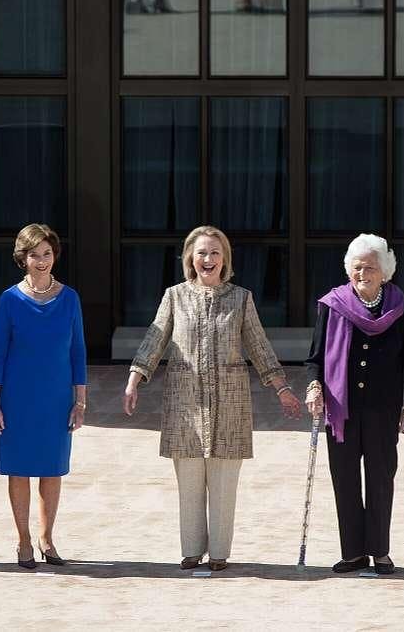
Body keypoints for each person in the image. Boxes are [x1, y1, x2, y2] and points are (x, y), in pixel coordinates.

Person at [122, 225, 301, 571]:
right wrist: (134, 380)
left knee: (223, 483)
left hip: (230, 405)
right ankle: (191, 550)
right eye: (201, 252)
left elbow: (259, 346)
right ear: (191, 257)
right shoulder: (174, 296)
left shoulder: (241, 298)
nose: (208, 258)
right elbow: (153, 341)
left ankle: (219, 553)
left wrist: (281, 388)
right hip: (184, 405)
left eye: (215, 252)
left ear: (225, 259)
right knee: (189, 481)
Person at [305, 234, 404, 574]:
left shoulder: (401, 306)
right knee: (344, 478)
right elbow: (315, 357)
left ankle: (380, 550)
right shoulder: (332, 304)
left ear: (384, 271)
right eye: (357, 267)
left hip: (383, 408)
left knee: (381, 477)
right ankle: (353, 552)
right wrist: (314, 386)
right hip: (341, 408)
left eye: (370, 267)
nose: (362, 273)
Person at [0, 224, 87, 569]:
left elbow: (78, 352)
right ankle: (23, 541)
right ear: (22, 258)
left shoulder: (70, 298)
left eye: (47, 253)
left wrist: (81, 400)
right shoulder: (10, 299)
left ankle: (47, 537)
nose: (41, 261)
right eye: (34, 254)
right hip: (17, 397)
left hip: (56, 398)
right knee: (19, 469)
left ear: (55, 255)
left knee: (52, 469)